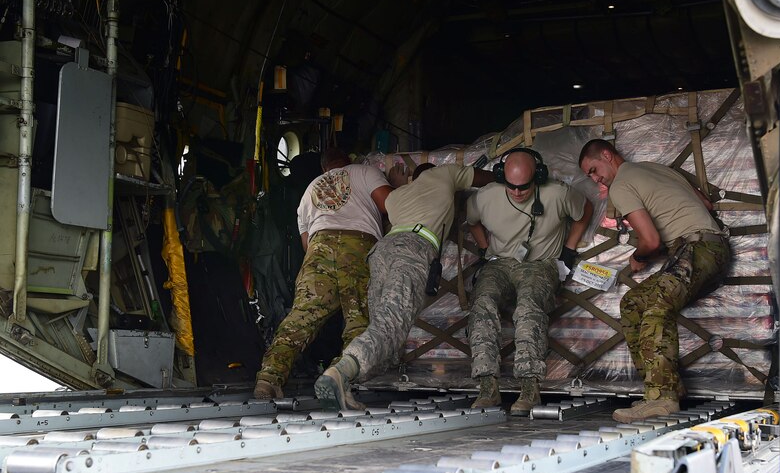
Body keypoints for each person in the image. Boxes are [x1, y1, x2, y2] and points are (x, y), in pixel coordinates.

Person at [314, 161, 494, 410]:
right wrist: (508, 177)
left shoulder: (398, 196)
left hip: (382, 251)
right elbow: (481, 176)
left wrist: (398, 184)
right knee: (391, 324)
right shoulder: (443, 174)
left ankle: (341, 376)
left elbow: (395, 199)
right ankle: (344, 369)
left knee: (383, 333)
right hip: (413, 249)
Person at [578, 139, 730, 422]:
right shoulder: (656, 169)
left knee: (657, 307)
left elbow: (650, 240)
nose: (595, 178)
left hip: (698, 249)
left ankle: (662, 398)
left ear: (607, 155)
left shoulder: (621, 186)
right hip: (709, 250)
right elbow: (706, 204)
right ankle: (660, 389)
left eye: (594, 170)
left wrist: (639, 258)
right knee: (633, 302)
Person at [253, 147, 393, 403]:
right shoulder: (364, 172)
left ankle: (268, 379)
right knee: (358, 320)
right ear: (349, 160)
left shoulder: (309, 191)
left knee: (300, 319)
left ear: (324, 168)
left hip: (319, 250)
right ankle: (340, 377)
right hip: (357, 247)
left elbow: (306, 243)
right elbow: (388, 204)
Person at [467, 148, 593, 415]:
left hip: (539, 264)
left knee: (528, 307)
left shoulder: (558, 193)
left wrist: (568, 251)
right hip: (500, 262)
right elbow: (473, 222)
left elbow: (585, 211)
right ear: (502, 177)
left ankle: (529, 387)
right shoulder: (486, 196)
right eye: (511, 186)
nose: (517, 193)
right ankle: (487, 387)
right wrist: (483, 248)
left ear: (538, 176)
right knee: (482, 303)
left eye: (524, 187)